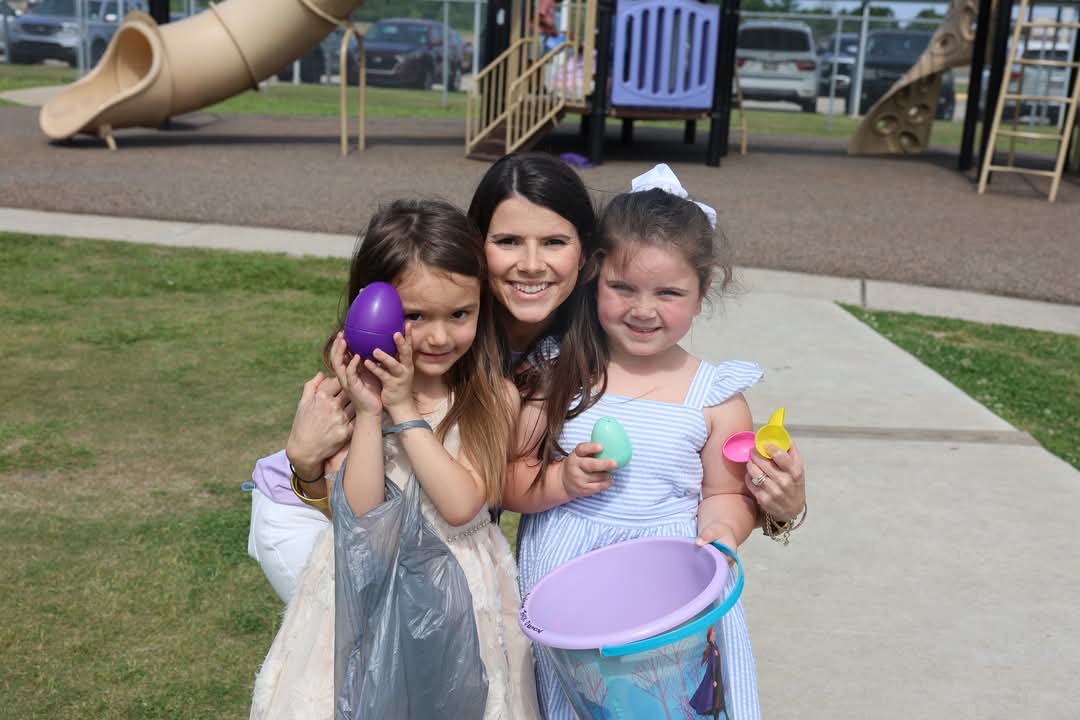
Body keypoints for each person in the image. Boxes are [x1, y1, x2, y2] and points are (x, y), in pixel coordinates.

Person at [503, 164, 808, 720]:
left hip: (671, 578)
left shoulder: (714, 395)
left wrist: (722, 530)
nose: (643, 310)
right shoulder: (557, 373)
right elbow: (512, 478)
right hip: (568, 573)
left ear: (702, 292)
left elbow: (728, 492)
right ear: (596, 278)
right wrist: (561, 480)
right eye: (622, 288)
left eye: (668, 292)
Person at [246, 152, 602, 600]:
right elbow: (357, 507)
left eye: (554, 242)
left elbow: (477, 493)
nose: (530, 263)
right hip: (312, 507)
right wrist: (304, 461)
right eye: (508, 241)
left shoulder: (553, 357)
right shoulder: (407, 337)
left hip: (416, 534)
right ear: (476, 246)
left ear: (585, 253)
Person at [250, 198, 540, 719]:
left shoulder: (492, 397)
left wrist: (405, 411)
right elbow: (362, 516)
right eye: (414, 316)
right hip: (369, 586)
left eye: (460, 314)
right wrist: (368, 412)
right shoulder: (349, 398)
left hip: (461, 591)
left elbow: (462, 506)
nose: (438, 336)